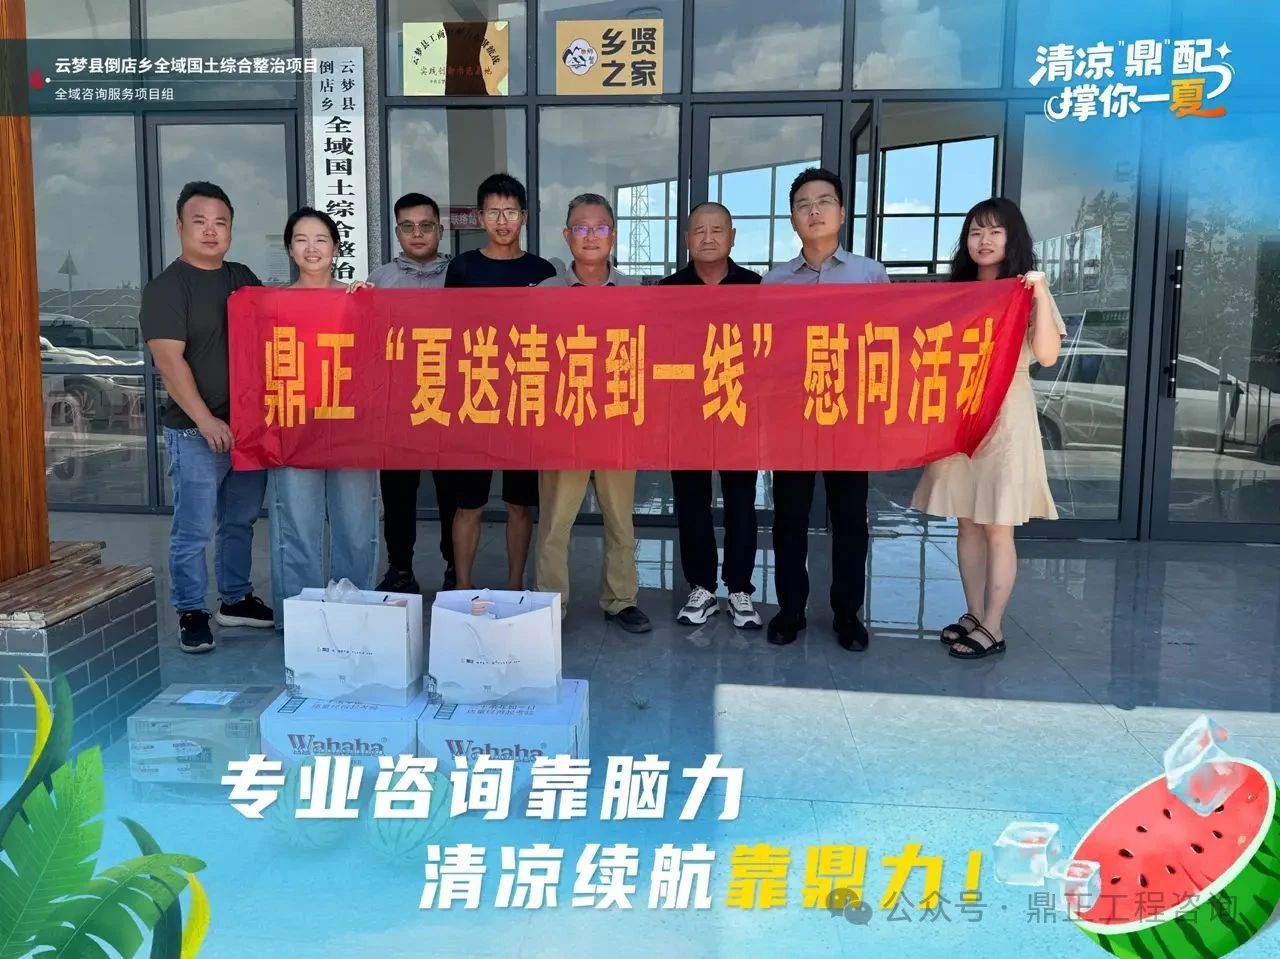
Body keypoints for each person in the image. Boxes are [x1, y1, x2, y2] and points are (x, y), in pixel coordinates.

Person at [912, 198, 1064, 660]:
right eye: (976, 232)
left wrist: (1040, 292)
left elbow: (1047, 355)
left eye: (994, 231)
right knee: (967, 521)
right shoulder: (957, 292)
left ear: (1011, 238)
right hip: (959, 411)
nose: (984, 240)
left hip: (1006, 414)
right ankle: (975, 613)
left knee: (998, 524)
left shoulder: (1025, 290)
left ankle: (994, 626)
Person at [142, 181, 273, 655]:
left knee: (239, 521)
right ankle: (191, 609)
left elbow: (282, 323)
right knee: (193, 528)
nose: (211, 231)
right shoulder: (166, 288)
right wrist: (206, 421)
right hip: (195, 431)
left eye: (221, 222)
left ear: (231, 231)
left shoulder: (242, 277)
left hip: (248, 430)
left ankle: (235, 599)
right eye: (200, 221)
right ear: (180, 226)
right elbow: (169, 361)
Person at [762, 168, 889, 652]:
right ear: (793, 219)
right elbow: (766, 353)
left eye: (824, 201)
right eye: (803, 204)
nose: (813, 211)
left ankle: (847, 614)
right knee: (789, 517)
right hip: (792, 416)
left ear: (841, 212)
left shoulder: (870, 275)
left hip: (850, 417)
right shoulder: (774, 282)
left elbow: (885, 344)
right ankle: (790, 609)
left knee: (850, 518)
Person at [536, 194, 651, 634]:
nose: (590, 236)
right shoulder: (545, 294)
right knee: (554, 524)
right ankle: (552, 603)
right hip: (563, 424)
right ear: (567, 236)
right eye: (581, 228)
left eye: (600, 227)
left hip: (617, 423)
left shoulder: (637, 293)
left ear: (613, 236)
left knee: (621, 521)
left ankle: (621, 600)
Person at [267, 208, 381, 627]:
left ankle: (355, 615)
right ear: (290, 249)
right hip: (295, 429)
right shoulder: (272, 305)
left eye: (321, 239)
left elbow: (380, 359)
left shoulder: (357, 300)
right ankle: (301, 621)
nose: (311, 248)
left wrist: (372, 306)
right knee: (296, 526)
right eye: (301, 239)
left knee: (357, 525)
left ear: (335, 248)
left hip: (351, 430)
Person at [443, 173, 557, 590]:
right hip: (473, 397)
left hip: (525, 399)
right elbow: (445, 332)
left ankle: (514, 587)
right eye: (493, 212)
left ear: (524, 217)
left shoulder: (542, 271)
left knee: (520, 503)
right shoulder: (463, 268)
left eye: (510, 212)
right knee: (468, 503)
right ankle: (463, 587)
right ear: (480, 217)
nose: (502, 221)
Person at [659, 202, 763, 629]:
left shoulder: (756, 287)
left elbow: (767, 351)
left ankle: (739, 588)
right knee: (691, 502)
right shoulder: (668, 290)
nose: (707, 238)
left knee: (741, 501)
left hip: (740, 409)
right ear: (687, 239)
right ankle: (701, 587)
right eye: (698, 230)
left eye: (716, 230)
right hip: (686, 414)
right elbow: (659, 355)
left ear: (732, 237)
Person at [366, 192, 453, 595]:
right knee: (398, 493)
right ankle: (400, 568)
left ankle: (456, 566)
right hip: (397, 406)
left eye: (426, 225)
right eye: (408, 226)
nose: (417, 233)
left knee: (452, 493)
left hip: (452, 401)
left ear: (440, 229)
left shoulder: (460, 275)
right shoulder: (379, 280)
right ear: (397, 231)